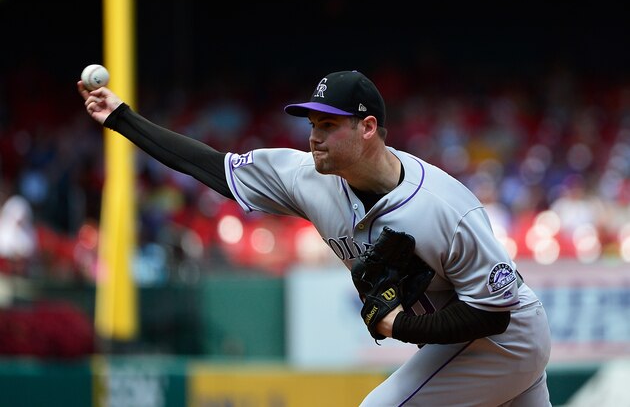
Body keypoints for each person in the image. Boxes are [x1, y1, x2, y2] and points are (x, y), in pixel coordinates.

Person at [78, 70, 552, 406]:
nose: (313, 137)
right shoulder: (307, 177)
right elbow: (213, 168)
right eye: (311, 124)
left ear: (368, 128)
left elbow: (495, 313)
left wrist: (401, 326)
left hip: (507, 339)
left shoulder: (447, 207)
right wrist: (122, 117)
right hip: (470, 339)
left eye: (328, 124)